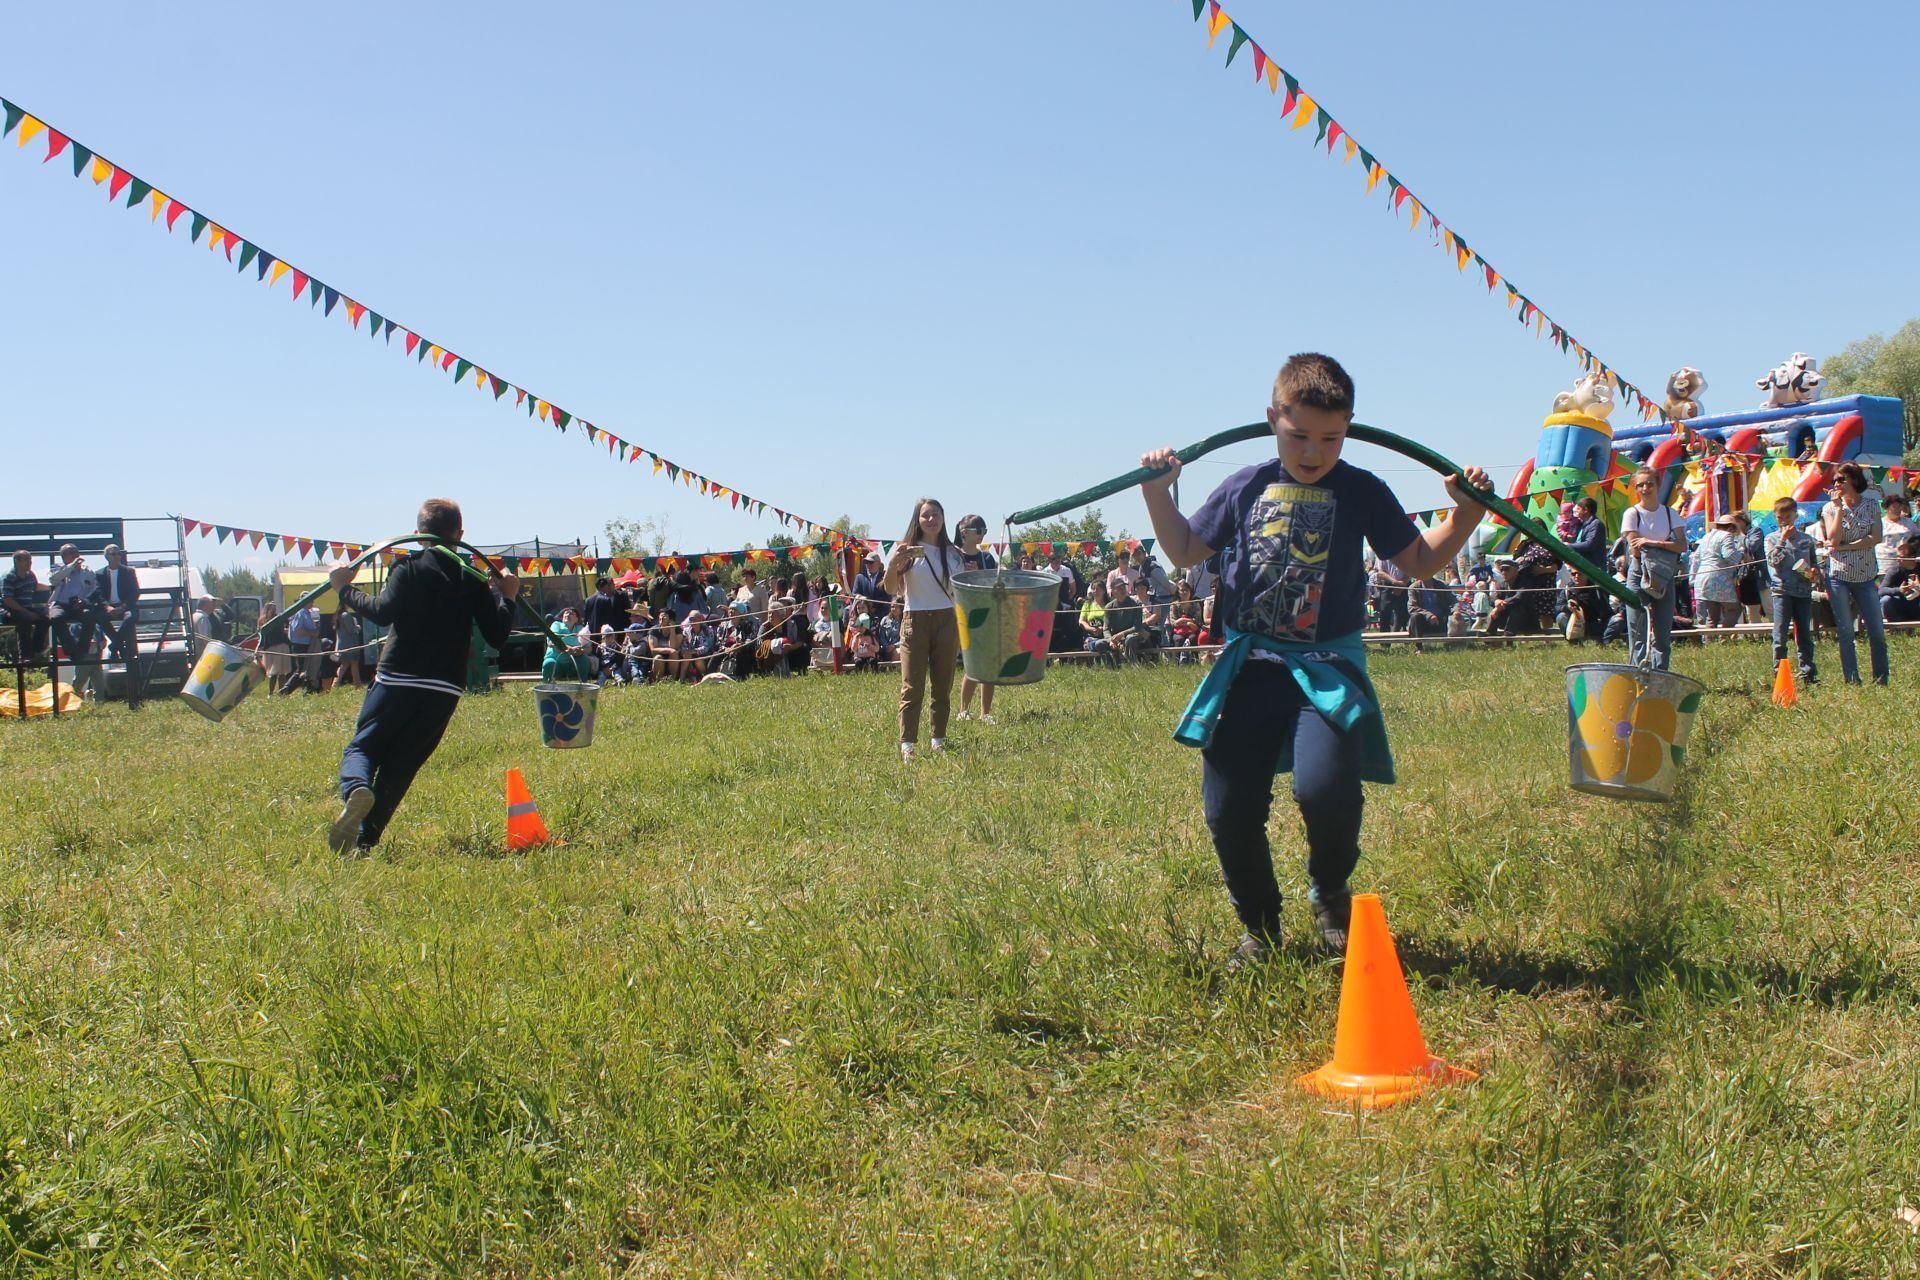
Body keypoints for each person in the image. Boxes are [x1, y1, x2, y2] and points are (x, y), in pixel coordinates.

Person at [1137, 352, 1490, 964]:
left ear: (1349, 428)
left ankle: (1330, 890)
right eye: (1298, 434)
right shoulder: (1245, 484)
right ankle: (1260, 926)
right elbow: (1187, 550)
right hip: (1248, 669)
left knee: (1326, 790)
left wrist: (1464, 517)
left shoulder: (1359, 490)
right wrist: (1156, 495)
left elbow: (1416, 561)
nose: (1312, 452)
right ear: (1272, 418)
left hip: (1326, 669)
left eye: (1330, 437)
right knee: (1229, 806)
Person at [326, 498, 519, 855]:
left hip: (397, 678)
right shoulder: (473, 578)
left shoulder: (408, 567)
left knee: (363, 747)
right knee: (401, 768)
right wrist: (507, 597)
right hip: (444, 689)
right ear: (460, 534)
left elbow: (382, 612)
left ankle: (356, 789)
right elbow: (497, 635)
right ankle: (364, 842)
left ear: (417, 536)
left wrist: (343, 589)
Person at [883, 497, 963, 758]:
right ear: (917, 520)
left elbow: (961, 593)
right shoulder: (905, 550)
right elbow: (890, 589)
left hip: (946, 620)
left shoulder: (953, 553)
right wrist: (894, 563)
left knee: (942, 684)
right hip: (914, 620)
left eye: (936, 514)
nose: (931, 520)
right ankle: (908, 745)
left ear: (943, 518)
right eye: (926, 515)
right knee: (912, 685)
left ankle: (938, 740)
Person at [1821, 461, 1889, 685]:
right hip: (1838, 576)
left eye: (1841, 479)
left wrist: (1847, 548)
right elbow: (1833, 539)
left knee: (1876, 631)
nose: (1837, 484)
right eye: (1834, 481)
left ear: (1854, 480)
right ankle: (1852, 679)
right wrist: (1839, 508)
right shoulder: (1830, 508)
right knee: (1846, 632)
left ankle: (1881, 678)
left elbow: (1875, 537)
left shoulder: (1871, 504)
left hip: (1866, 576)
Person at [1621, 466, 1686, 671]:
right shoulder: (1632, 513)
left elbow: (1682, 545)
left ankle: (1661, 674)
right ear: (1636, 489)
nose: (1646, 488)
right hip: (1639, 573)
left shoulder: (1669, 513)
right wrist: (1665, 545)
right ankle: (1637, 674)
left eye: (1649, 483)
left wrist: (1652, 543)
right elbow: (1635, 549)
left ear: (1658, 485)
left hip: (1665, 576)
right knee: (1637, 631)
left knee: (1663, 632)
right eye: (1640, 485)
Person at [1766, 497, 1820, 684]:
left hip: (1803, 591)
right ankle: (1779, 675)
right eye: (1780, 518)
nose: (1784, 521)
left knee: (1805, 634)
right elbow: (1773, 562)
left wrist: (1814, 572)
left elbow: (1814, 564)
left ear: (1795, 516)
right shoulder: (1771, 539)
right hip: (1782, 591)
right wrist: (1782, 540)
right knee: (1780, 635)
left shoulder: (1807, 540)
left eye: (1787, 517)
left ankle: (1808, 673)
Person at [953, 513, 1000, 724]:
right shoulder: (953, 556)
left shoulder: (987, 558)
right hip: (961, 614)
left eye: (985, 531)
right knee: (972, 664)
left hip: (985, 612)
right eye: (979, 531)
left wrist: (980, 573)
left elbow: (996, 584)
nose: (982, 535)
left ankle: (985, 713)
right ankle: (963, 710)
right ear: (964, 533)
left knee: (988, 664)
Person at [47, 543, 99, 679]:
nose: (74, 555)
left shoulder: (86, 570)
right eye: (69, 552)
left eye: (76, 552)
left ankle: (81, 651)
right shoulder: (57, 568)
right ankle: (71, 650)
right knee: (56, 618)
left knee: (90, 617)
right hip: (61, 603)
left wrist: (84, 601)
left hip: (79, 604)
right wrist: (71, 567)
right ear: (63, 556)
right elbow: (53, 580)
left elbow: (93, 588)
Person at [1693, 513, 1745, 632]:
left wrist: (1693, 579)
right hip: (1718, 577)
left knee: (1712, 616)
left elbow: (1696, 559)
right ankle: (1724, 637)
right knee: (1734, 609)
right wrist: (1742, 555)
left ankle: (1710, 642)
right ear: (1731, 527)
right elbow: (1729, 555)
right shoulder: (1726, 535)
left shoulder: (1706, 537)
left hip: (1702, 578)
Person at [94, 543, 143, 669]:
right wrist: (107, 607)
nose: (117, 556)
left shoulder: (128, 571)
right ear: (107, 557)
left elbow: (135, 592)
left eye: (118, 553)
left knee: (130, 617)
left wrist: (123, 606)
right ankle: (120, 647)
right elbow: (98, 594)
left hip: (125, 606)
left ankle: (114, 646)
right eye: (113, 553)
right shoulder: (99, 574)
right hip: (108, 607)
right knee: (100, 618)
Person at [3, 549, 50, 663]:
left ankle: (36, 650)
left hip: (26, 608)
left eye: (30, 559)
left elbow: (35, 586)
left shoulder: (30, 575)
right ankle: (25, 656)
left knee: (45, 620)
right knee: (25, 621)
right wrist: (26, 612)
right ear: (17, 562)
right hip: (10, 609)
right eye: (26, 560)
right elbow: (8, 600)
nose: (30, 562)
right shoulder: (9, 577)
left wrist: (51, 587)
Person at [1876, 493, 1918, 578]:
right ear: (1886, 508)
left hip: (1906, 564)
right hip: (1886, 564)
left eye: (1899, 506)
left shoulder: (1908, 522)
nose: (1898, 509)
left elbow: (1918, 537)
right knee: (1887, 589)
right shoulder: (1880, 523)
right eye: (1894, 507)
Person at [1880, 534, 1920, 623]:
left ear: (1912, 558)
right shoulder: (1895, 570)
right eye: (1897, 556)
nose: (1897, 559)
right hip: (1901, 603)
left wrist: (1918, 586)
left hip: (1917, 604)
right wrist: (1899, 590)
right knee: (1886, 600)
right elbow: (1881, 590)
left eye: (1901, 557)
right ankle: (1898, 630)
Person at [332, 605, 367, 688]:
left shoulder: (339, 615)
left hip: (344, 644)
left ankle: (356, 683)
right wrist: (357, 627)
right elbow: (351, 630)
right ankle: (337, 683)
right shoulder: (346, 615)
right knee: (349, 664)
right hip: (349, 644)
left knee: (348, 664)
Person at [850, 555, 890, 624]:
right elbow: (854, 595)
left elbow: (888, 596)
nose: (868, 565)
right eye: (866, 562)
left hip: (881, 616)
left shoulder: (885, 577)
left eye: (871, 562)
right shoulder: (860, 577)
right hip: (863, 617)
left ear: (878, 563)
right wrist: (864, 599)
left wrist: (873, 605)